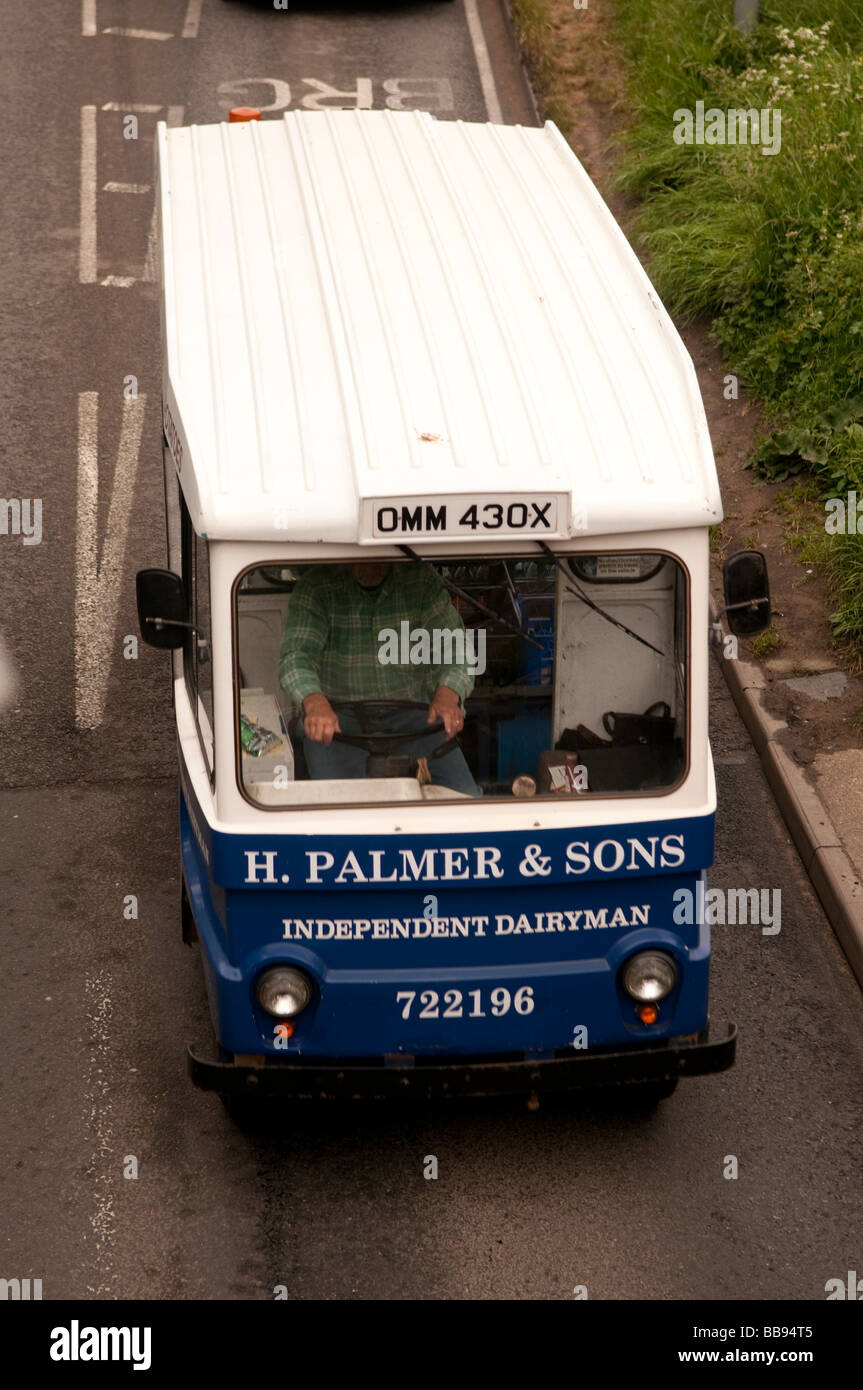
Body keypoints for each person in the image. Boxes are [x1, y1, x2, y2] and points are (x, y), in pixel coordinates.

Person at [278, 562, 480, 794]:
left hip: (415, 719)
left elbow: (455, 645)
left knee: (466, 798)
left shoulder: (421, 581)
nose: (371, 563)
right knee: (333, 808)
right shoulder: (317, 586)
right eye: (361, 557)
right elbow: (296, 655)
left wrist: (448, 694)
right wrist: (315, 703)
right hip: (336, 722)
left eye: (379, 557)